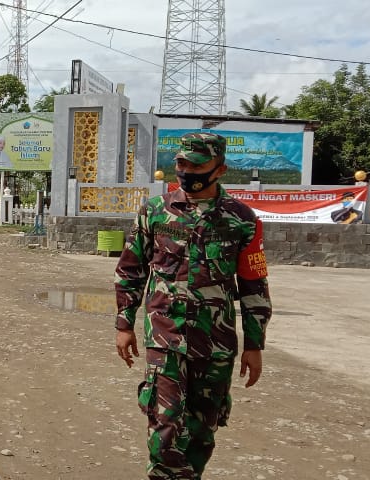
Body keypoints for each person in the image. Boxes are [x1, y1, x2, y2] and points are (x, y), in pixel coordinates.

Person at [114, 132, 272, 480]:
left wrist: (255, 344)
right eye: (181, 163)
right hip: (165, 338)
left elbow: (253, 285)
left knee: (203, 431)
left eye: (196, 165)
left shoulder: (241, 220)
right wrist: (124, 323)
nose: (186, 170)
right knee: (165, 428)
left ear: (219, 169)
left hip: (215, 344)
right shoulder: (155, 211)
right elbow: (130, 269)